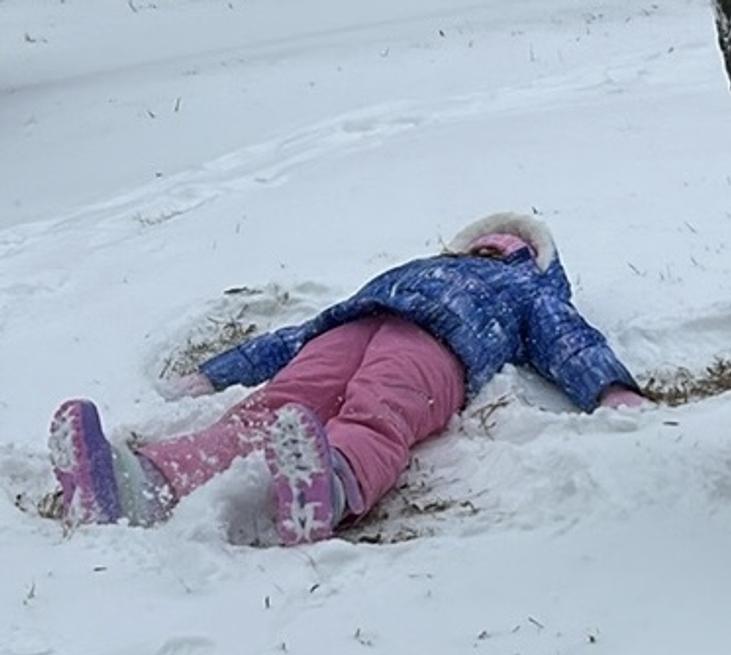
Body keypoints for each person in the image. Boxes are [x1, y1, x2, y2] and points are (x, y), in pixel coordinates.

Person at [48, 211, 646, 544]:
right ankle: (144, 482)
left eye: (504, 250)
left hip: (439, 348)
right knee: (275, 404)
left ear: (529, 261)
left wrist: (610, 388)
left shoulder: (526, 291)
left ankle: (330, 484)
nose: (488, 254)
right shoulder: (412, 270)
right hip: (352, 328)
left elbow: (568, 338)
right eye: (483, 246)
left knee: (380, 409)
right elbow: (296, 336)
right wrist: (214, 375)